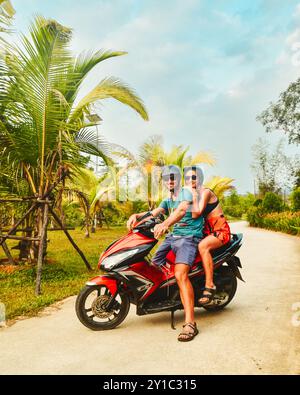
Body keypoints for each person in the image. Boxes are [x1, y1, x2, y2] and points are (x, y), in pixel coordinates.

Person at [183, 165, 231, 306]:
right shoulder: (192, 194)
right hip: (206, 232)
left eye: (193, 177)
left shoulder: (206, 192)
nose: (190, 180)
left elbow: (196, 212)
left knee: (202, 246)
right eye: (187, 178)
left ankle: (210, 285)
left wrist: (193, 195)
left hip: (220, 232)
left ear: (199, 178)